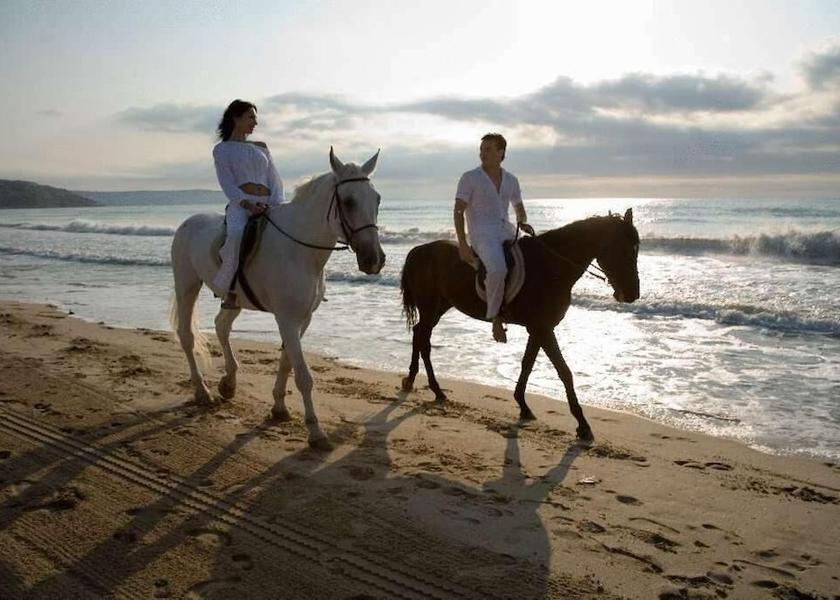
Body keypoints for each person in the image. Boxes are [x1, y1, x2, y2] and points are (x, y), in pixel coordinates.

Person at [454, 133, 533, 343]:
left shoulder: (511, 180)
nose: (482, 153)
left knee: (534, 255)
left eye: (488, 149)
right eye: (481, 149)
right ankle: (495, 318)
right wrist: (462, 243)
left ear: (501, 153)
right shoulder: (470, 177)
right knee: (498, 269)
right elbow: (459, 210)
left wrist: (523, 222)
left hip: (505, 229)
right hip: (482, 233)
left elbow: (518, 207)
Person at [212, 99, 286, 308]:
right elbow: (227, 183)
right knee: (236, 235)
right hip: (241, 205)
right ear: (236, 118)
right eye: (251, 117)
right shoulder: (222, 149)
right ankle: (231, 290)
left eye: (255, 118)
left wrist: (276, 204)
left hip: (269, 203)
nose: (255, 122)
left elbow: (274, 179)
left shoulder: (261, 147)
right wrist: (247, 204)